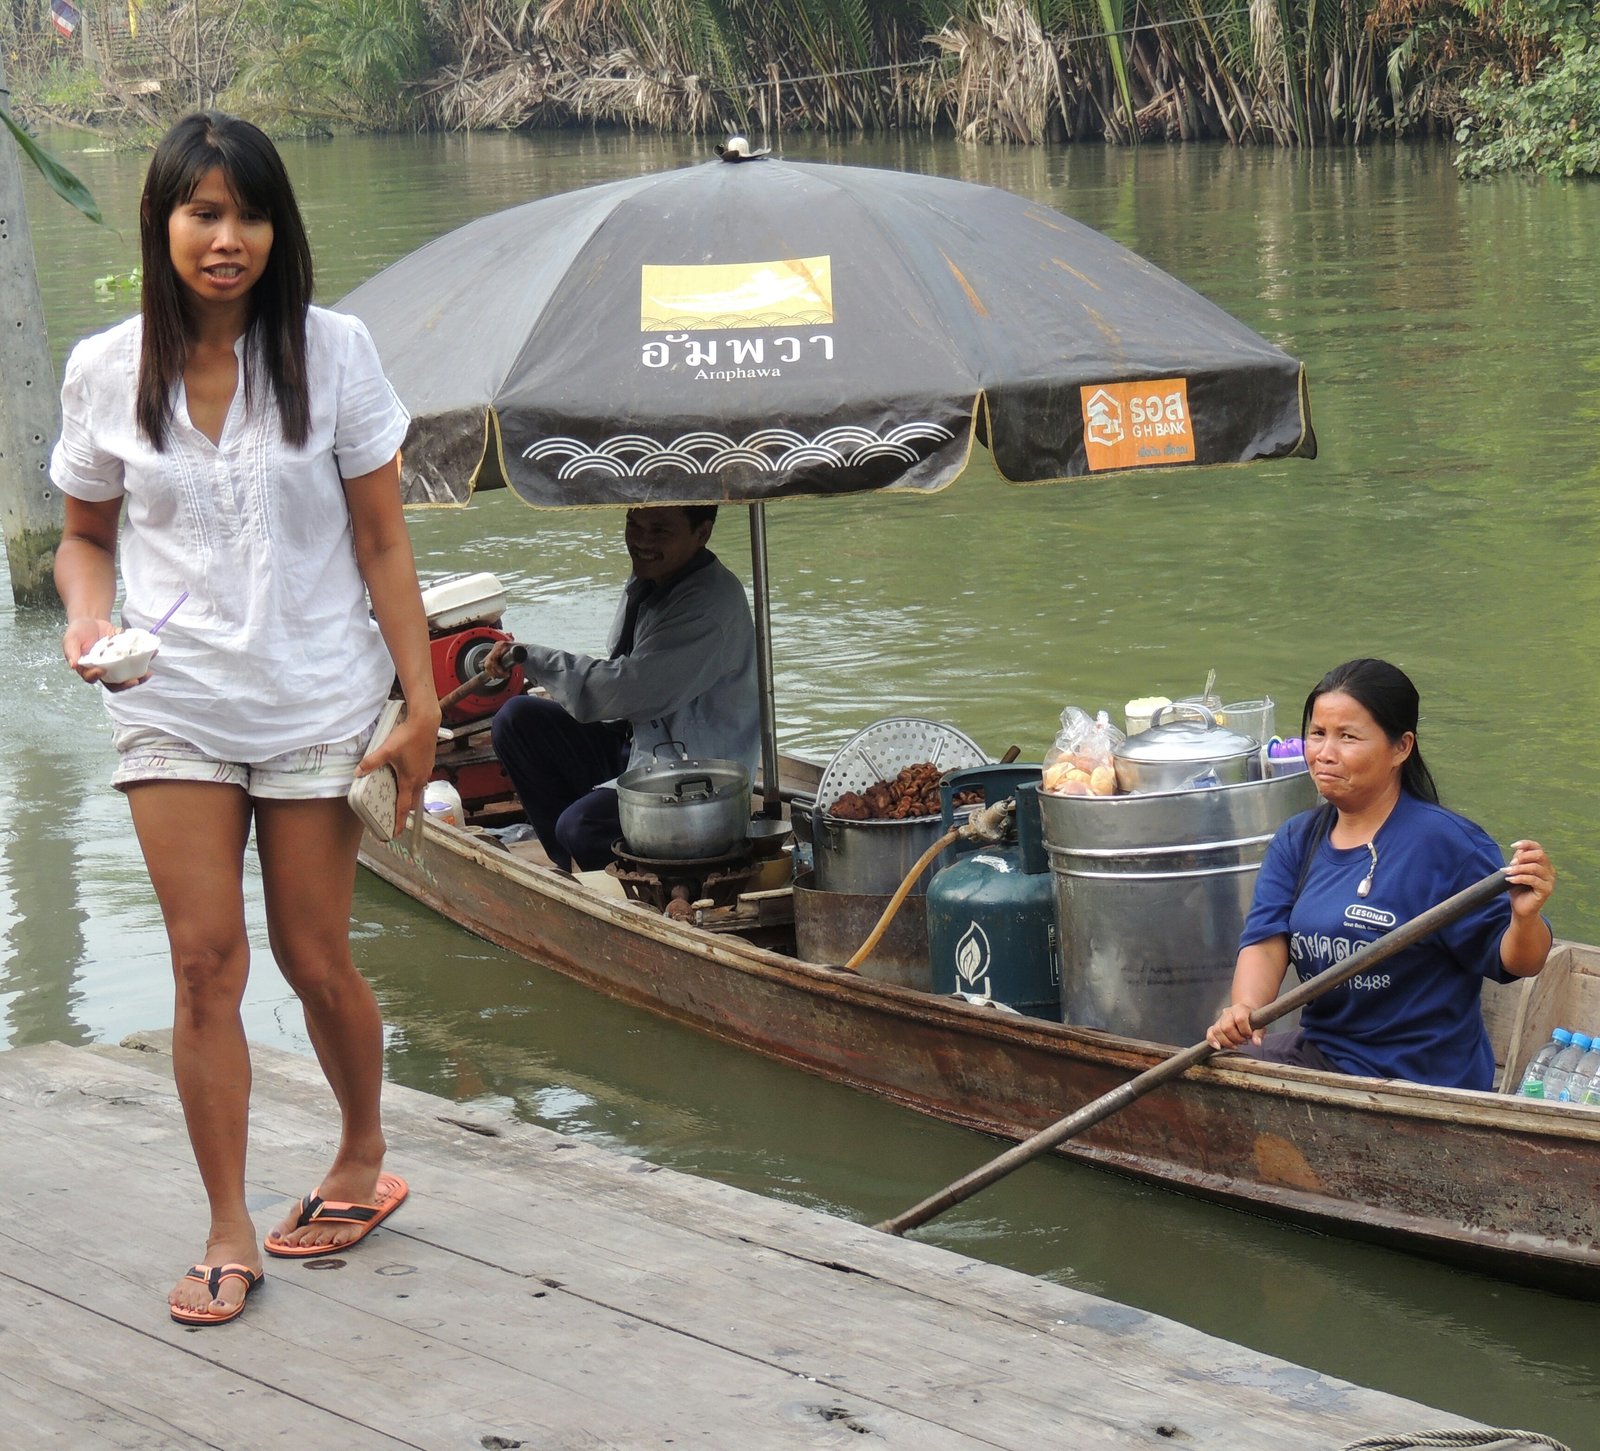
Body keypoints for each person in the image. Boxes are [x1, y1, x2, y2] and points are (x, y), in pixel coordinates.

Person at [52, 112, 440, 1326]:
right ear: (162, 222)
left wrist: (420, 697)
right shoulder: (105, 369)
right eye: (203, 214)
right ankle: (228, 1226)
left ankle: (360, 1151)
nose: (228, 241)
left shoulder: (336, 354)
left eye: (250, 215)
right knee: (202, 961)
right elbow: (83, 535)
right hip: (171, 695)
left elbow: (382, 537)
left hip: (318, 692)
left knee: (315, 955)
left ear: (281, 228)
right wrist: (84, 620)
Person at [1205, 658, 1554, 1090]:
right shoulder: (1297, 840)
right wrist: (1244, 1009)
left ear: (1401, 748)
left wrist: (1525, 917)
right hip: (1326, 1057)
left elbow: (1519, 962)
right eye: (1317, 734)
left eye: (1347, 737)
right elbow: (1266, 940)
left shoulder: (1446, 844)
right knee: (1217, 1065)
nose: (1325, 753)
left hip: (1422, 1079)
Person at [488, 504, 758, 872]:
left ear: (702, 533)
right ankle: (570, 868)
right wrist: (530, 664)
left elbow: (627, 690)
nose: (642, 541)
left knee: (580, 825)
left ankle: (652, 884)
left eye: (660, 531)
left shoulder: (706, 607)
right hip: (640, 745)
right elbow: (617, 677)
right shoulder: (653, 579)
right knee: (516, 719)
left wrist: (532, 659)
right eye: (634, 525)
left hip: (692, 780)